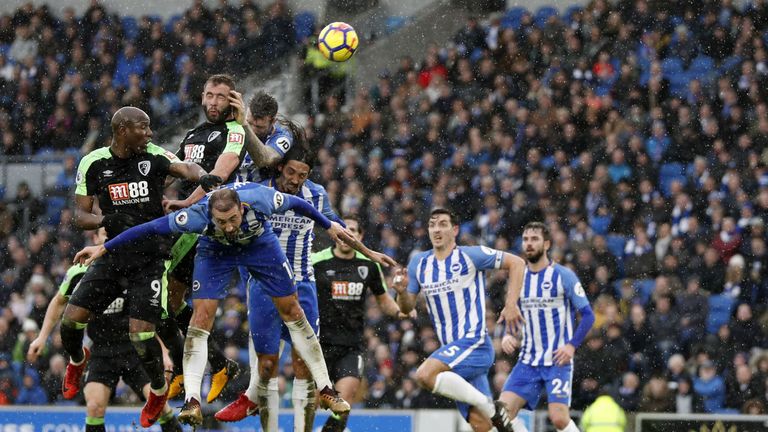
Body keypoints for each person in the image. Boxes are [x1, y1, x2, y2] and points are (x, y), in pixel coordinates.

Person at [73, 183, 379, 426]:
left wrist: (328, 225)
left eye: (233, 218)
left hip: (260, 245)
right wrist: (105, 246)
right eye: (222, 221)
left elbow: (299, 203)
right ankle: (193, 400)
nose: (229, 226)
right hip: (215, 252)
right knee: (200, 318)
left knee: (293, 311)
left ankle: (326, 389)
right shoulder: (197, 216)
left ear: (243, 208)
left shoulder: (261, 199)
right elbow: (150, 228)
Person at [215, 143, 398, 432]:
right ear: (279, 168)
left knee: (304, 366)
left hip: (302, 283)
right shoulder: (259, 190)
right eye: (291, 172)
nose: (296, 180)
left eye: (302, 174)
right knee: (266, 366)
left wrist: (370, 252)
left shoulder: (316, 194)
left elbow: (337, 227)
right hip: (264, 284)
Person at [61, 106, 207, 427]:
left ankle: (157, 390)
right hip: (113, 254)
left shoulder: (153, 155)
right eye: (144, 127)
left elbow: (187, 168)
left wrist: (205, 176)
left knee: (141, 336)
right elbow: (80, 216)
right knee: (69, 325)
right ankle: (76, 359)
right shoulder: (94, 163)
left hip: (151, 259)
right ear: (123, 129)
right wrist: (106, 219)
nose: (150, 133)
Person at [27, 229, 182, 432]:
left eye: (114, 234)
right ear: (95, 239)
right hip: (102, 350)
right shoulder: (79, 272)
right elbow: (58, 303)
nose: (109, 238)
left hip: (134, 349)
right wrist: (42, 337)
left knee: (161, 408)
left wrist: (163, 351)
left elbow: (149, 316)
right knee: (94, 406)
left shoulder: (136, 269)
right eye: (104, 234)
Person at [160, 73, 252, 404]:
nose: (214, 102)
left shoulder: (235, 132)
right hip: (182, 219)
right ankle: (216, 364)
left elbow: (220, 175)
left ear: (232, 101)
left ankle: (200, 368)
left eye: (221, 97)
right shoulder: (192, 134)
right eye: (210, 95)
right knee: (166, 303)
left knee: (160, 298)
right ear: (202, 96)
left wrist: (186, 202)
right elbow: (171, 169)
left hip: (203, 224)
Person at [390, 208, 526, 432]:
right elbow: (406, 308)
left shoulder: (470, 255)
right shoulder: (419, 263)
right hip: (453, 353)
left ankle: (492, 408)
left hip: (475, 343)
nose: (436, 229)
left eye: (443, 224)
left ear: (454, 230)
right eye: (432, 224)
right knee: (482, 426)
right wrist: (402, 292)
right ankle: (501, 418)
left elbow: (517, 263)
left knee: (424, 375)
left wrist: (511, 304)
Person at [312, 215, 407, 432]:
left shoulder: (369, 265)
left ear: (360, 236)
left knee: (342, 406)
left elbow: (384, 301)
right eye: (343, 229)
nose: (347, 234)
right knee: (310, 404)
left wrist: (401, 310)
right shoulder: (316, 261)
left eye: (352, 230)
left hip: (350, 345)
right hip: (318, 346)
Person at [498, 222, 596, 432]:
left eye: (534, 239)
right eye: (525, 240)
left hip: (557, 361)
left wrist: (571, 346)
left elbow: (588, 316)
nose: (529, 244)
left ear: (547, 244)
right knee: (502, 415)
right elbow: (514, 314)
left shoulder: (563, 275)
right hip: (528, 361)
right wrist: (508, 334)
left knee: (559, 419)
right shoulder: (518, 279)